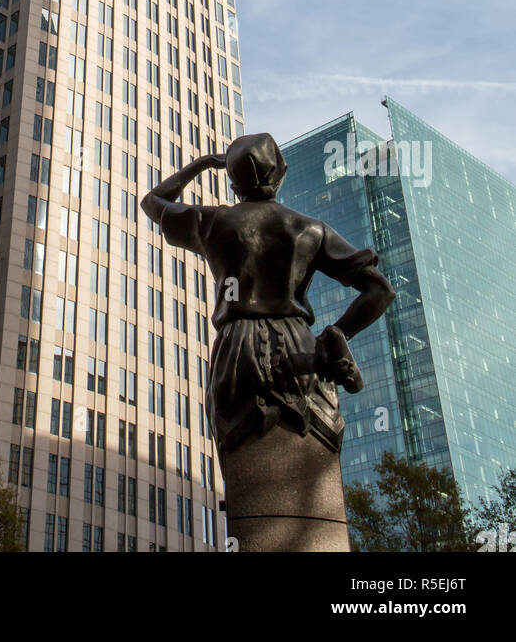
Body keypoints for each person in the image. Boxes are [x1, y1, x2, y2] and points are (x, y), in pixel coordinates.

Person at [140, 132, 396, 461]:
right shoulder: (310, 229)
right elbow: (380, 290)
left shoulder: (215, 223)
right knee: (311, 440)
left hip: (237, 347)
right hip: (300, 347)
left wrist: (203, 164)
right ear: (280, 172)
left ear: (233, 181)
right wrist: (340, 331)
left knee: (243, 452)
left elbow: (152, 202)